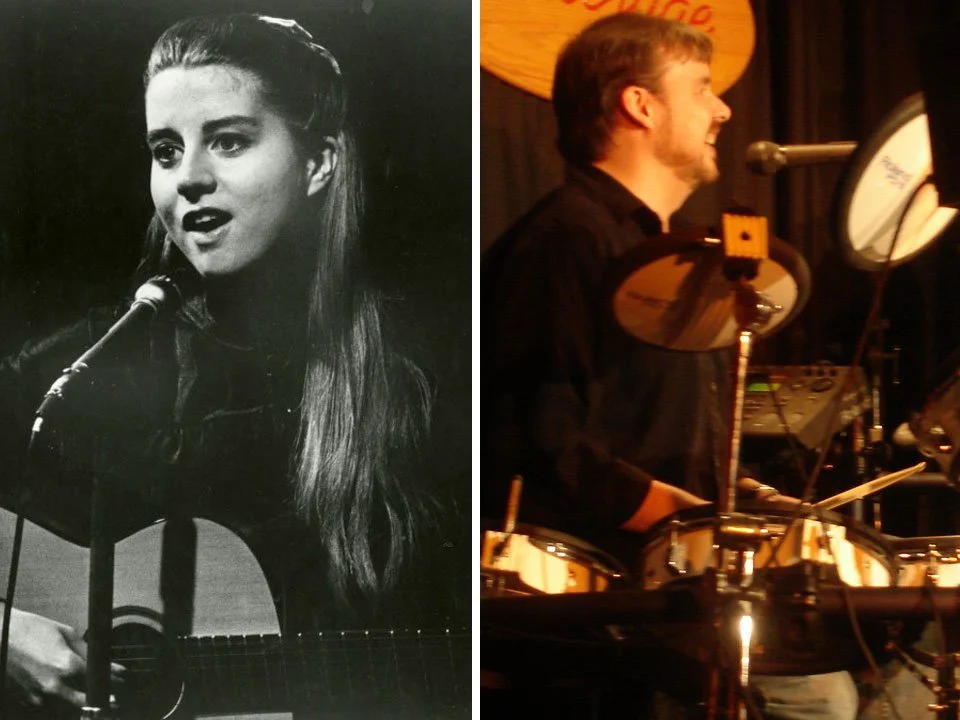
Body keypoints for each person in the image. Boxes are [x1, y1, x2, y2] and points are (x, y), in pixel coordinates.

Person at [0, 13, 464, 718]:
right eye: (165, 149)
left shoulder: (410, 390)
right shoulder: (83, 366)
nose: (188, 179)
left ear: (319, 163)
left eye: (229, 140)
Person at [481, 12, 859, 719]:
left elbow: (650, 436)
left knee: (838, 678)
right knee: (821, 699)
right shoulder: (564, 241)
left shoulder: (665, 258)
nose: (723, 109)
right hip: (596, 602)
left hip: (670, 583)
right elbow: (541, 443)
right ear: (639, 104)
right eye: (703, 88)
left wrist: (746, 498)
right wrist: (684, 519)